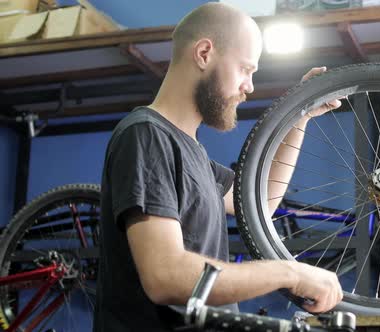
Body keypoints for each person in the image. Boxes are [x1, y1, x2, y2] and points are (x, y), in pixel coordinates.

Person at [93, 3, 343, 331]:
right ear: (204, 53)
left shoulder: (192, 152)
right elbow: (165, 276)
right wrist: (289, 272)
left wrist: (300, 116)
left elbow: (261, 202)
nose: (249, 86)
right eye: (245, 69)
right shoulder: (146, 136)